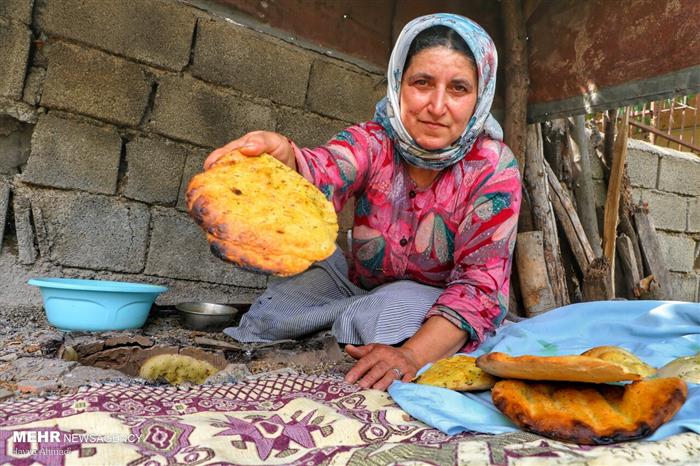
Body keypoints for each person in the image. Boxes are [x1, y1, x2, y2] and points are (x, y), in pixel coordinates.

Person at [204, 13, 521, 391]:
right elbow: (327, 168)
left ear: (479, 96)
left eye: (458, 89)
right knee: (282, 301)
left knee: (389, 309)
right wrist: (287, 160)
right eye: (422, 83)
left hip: (432, 302)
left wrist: (412, 357)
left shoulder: (492, 167)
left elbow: (480, 286)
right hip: (358, 284)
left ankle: (367, 331)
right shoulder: (374, 140)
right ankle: (347, 324)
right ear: (399, 83)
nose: (437, 106)